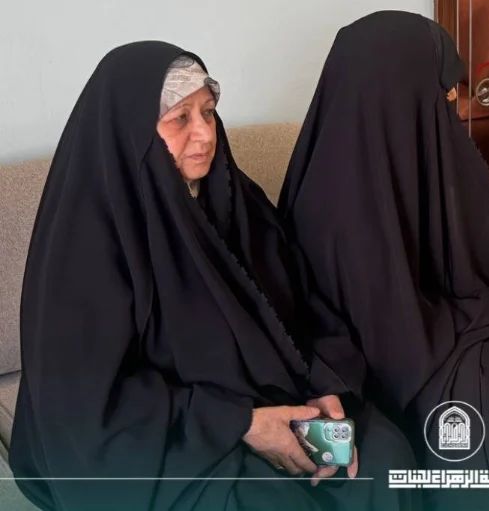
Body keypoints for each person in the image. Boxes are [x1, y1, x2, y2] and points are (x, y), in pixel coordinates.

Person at [11, 42, 416, 511]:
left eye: (208, 111)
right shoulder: (87, 242)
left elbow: (305, 308)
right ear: (133, 133)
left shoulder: (238, 203)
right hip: (178, 437)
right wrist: (240, 424)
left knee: (384, 459)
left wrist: (328, 387)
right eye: (179, 119)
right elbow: (84, 400)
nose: (204, 134)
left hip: (277, 399)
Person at [279, 11, 489, 511]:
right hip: (374, 369)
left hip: (428, 331)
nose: (452, 99)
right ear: (400, 92)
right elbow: (388, 337)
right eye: (441, 89)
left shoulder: (402, 149)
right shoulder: (337, 204)